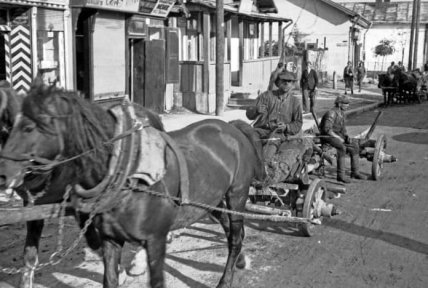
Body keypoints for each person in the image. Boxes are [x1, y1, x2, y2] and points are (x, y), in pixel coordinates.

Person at [319, 95, 366, 183]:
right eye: (346, 104)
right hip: (327, 137)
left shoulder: (342, 114)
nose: (347, 105)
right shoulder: (331, 113)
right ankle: (341, 176)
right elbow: (327, 129)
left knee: (354, 146)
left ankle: (355, 172)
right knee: (342, 147)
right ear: (339, 104)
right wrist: (338, 138)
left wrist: (346, 137)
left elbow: (343, 129)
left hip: (336, 135)